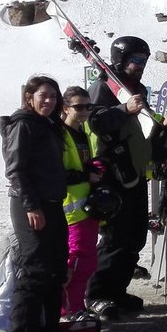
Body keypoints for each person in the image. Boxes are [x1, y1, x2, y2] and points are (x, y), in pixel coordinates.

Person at [84, 36, 162, 320]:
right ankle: (97, 294)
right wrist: (123, 109)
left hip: (135, 171)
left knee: (135, 236)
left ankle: (117, 289)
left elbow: (140, 129)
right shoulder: (103, 87)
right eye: (136, 60)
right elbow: (95, 121)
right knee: (115, 238)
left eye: (144, 61)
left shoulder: (136, 88)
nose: (141, 66)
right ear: (120, 59)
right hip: (112, 173)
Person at [0, 75, 69, 332]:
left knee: (56, 267)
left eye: (53, 96)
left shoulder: (48, 125)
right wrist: (32, 206)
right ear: (30, 98)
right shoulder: (24, 125)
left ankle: (49, 328)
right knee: (36, 268)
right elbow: (16, 169)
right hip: (30, 204)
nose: (49, 101)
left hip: (52, 204)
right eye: (43, 96)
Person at [59, 86, 106, 317]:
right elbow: (55, 172)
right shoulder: (60, 134)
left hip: (87, 207)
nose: (85, 111)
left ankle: (76, 305)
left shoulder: (82, 132)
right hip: (70, 210)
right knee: (75, 262)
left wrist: (93, 167)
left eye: (88, 106)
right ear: (65, 108)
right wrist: (85, 175)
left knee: (87, 262)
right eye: (79, 107)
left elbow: (79, 165)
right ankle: (68, 309)